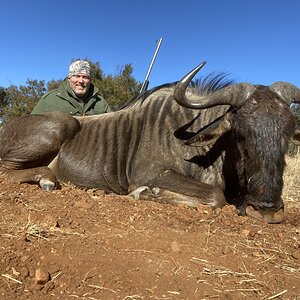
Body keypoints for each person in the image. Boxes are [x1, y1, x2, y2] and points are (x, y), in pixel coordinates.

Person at [31, 60, 111, 115]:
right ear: (69, 78)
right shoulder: (49, 100)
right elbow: (31, 126)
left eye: (85, 77)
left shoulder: (101, 102)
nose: (81, 81)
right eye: (76, 76)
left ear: (90, 80)